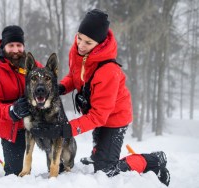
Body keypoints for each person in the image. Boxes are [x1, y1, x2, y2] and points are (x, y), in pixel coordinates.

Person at [30, 9, 170, 186]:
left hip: (114, 118)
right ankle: (100, 156)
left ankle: (152, 160)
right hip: (95, 112)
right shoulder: (77, 52)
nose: (80, 44)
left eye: (88, 42)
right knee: (99, 158)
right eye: (79, 37)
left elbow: (99, 116)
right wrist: (61, 87)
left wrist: (64, 130)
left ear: (100, 43)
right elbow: (75, 77)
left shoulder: (108, 71)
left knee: (106, 170)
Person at [0, 25, 42, 176]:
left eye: (19, 45)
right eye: (11, 45)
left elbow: (47, 85)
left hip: (36, 123)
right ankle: (11, 168)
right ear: (3, 46)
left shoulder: (33, 66)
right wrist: (11, 110)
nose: (15, 50)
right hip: (12, 129)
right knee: (16, 175)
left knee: (58, 162)